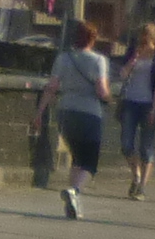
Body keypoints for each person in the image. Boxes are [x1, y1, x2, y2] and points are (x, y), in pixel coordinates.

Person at [36, 19, 114, 219]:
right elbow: (102, 91)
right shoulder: (98, 61)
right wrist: (110, 98)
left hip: (66, 112)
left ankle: (74, 204)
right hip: (89, 114)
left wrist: (39, 113)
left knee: (77, 158)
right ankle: (75, 191)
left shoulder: (63, 58)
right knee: (89, 163)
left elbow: (52, 87)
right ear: (93, 39)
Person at [115, 22, 155, 200]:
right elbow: (122, 74)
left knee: (146, 147)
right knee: (126, 144)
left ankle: (142, 186)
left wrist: (154, 108)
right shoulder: (132, 52)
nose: (143, 41)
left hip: (148, 103)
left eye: (146, 38)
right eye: (141, 38)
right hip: (130, 101)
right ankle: (135, 174)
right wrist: (134, 59)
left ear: (153, 38)